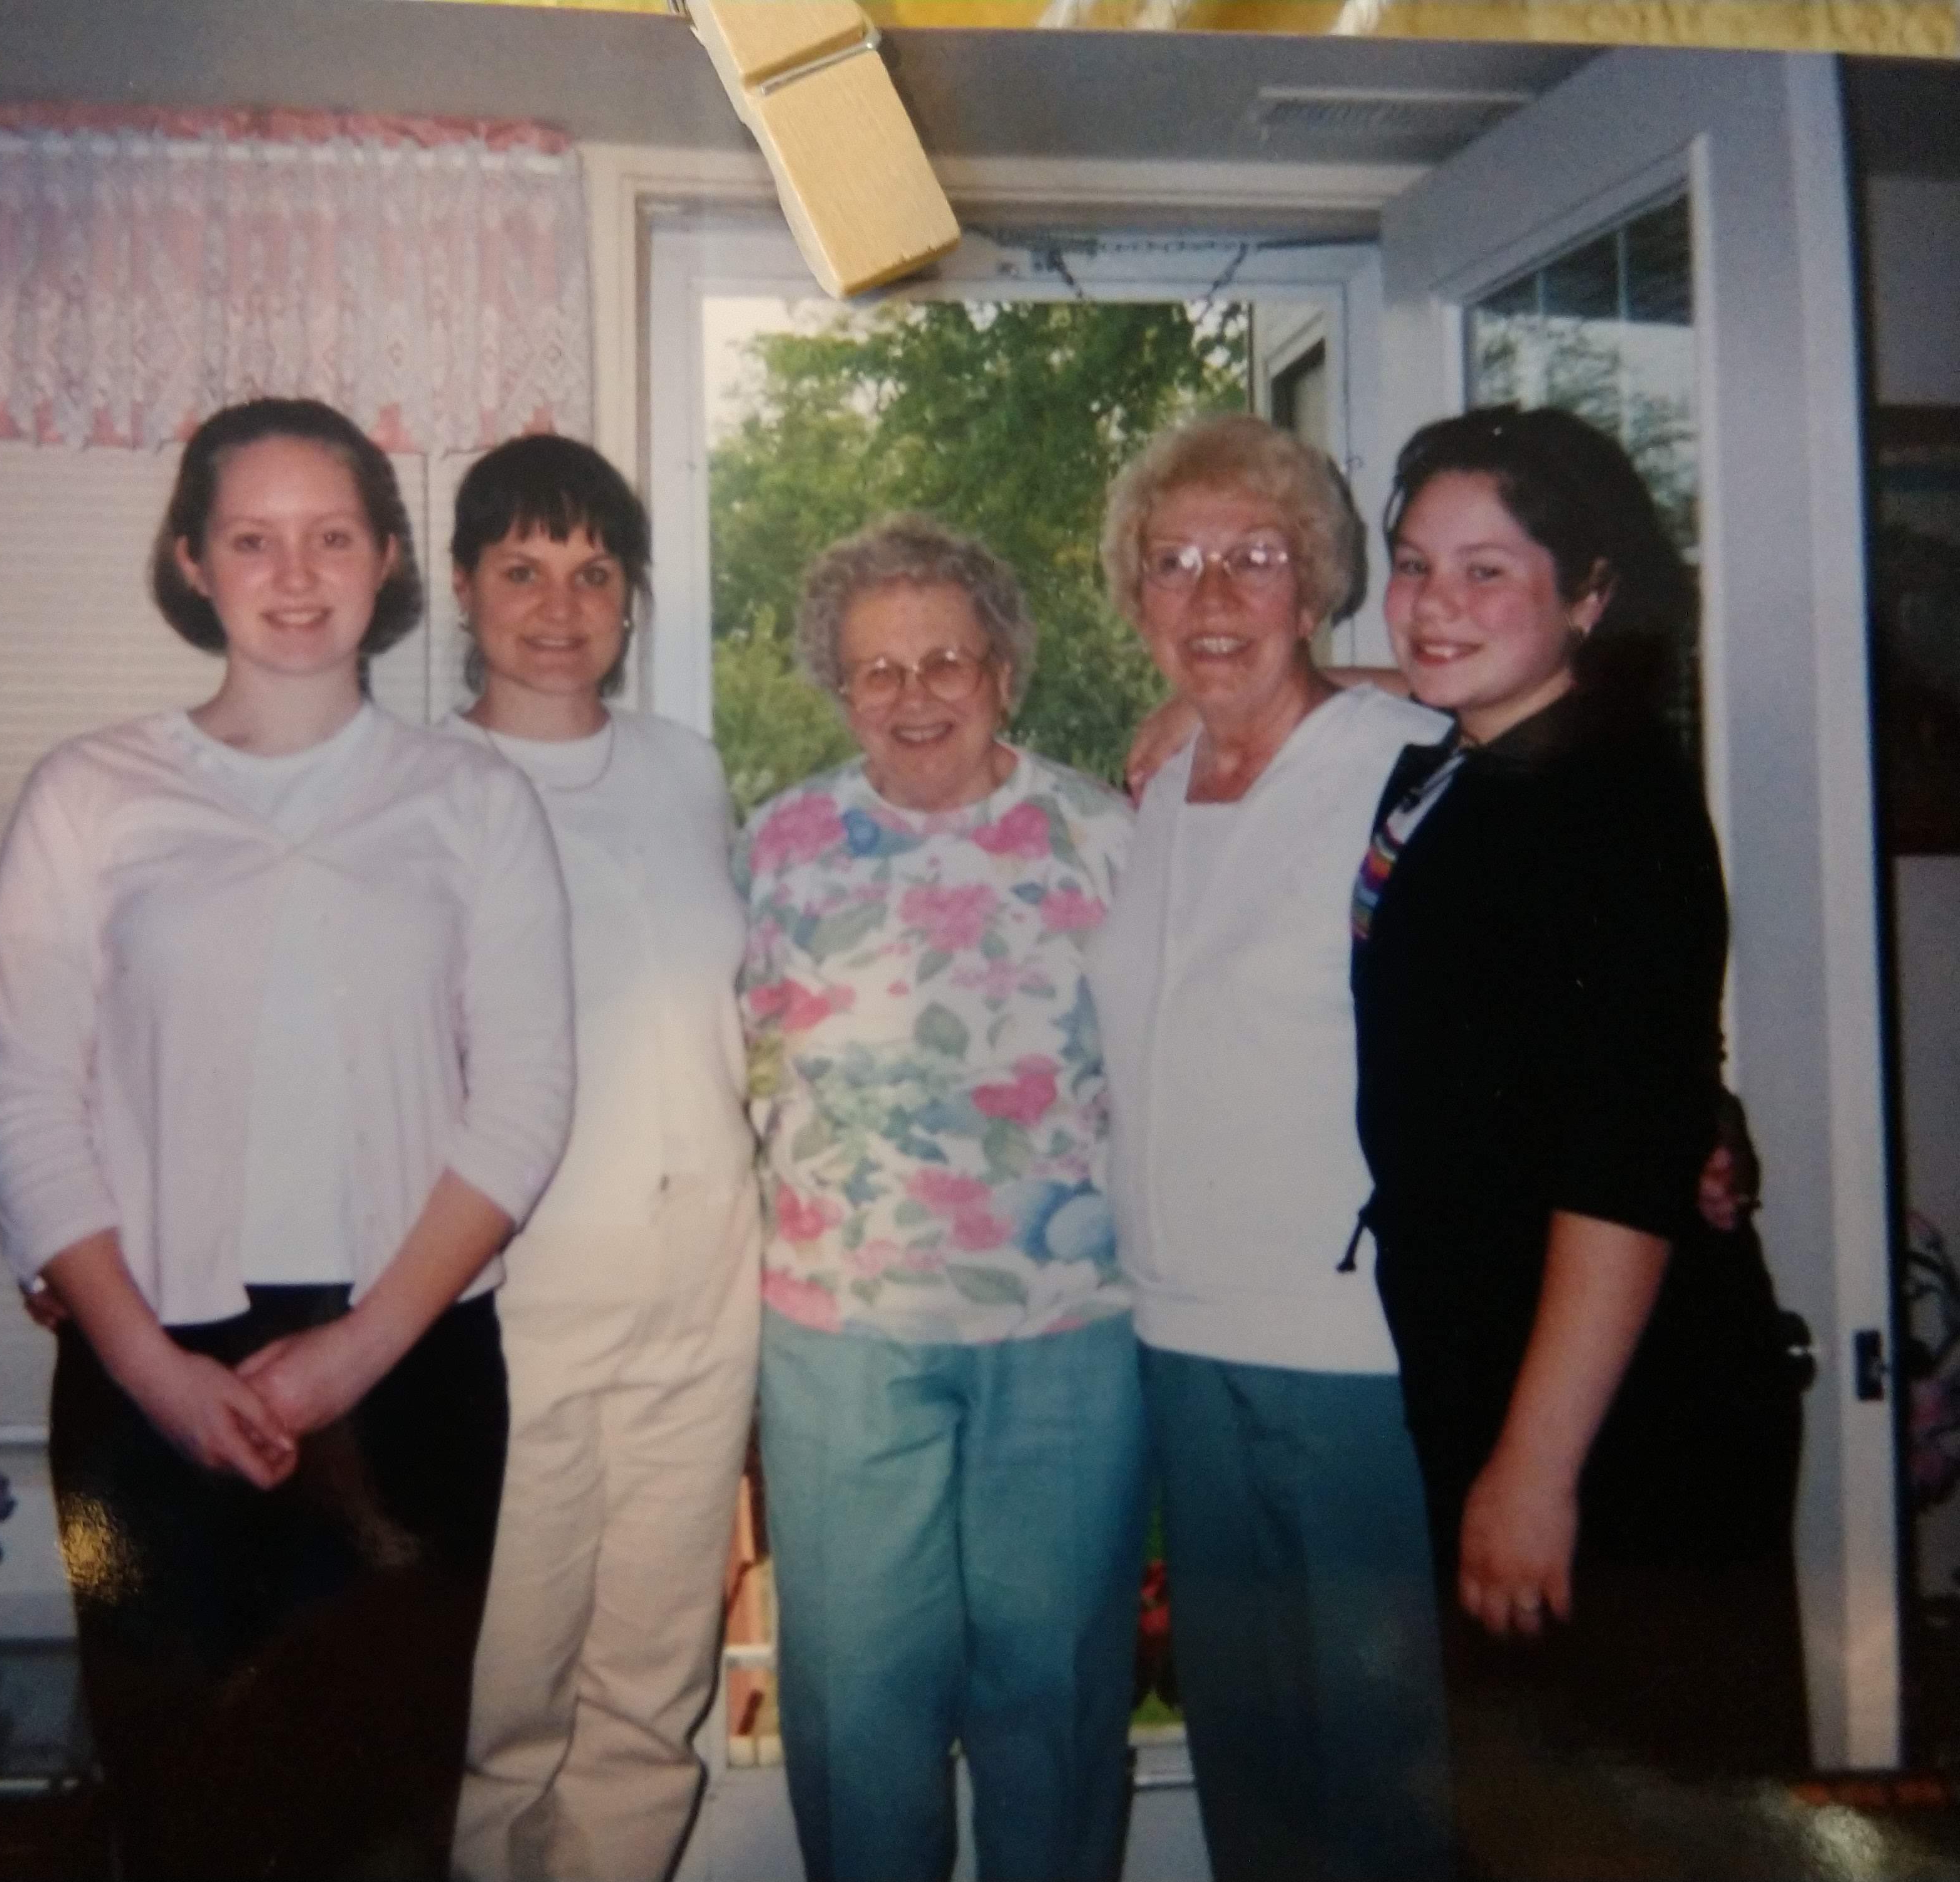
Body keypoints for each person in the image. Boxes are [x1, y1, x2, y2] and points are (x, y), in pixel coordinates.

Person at [0, 396, 573, 1879]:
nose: (292, 574)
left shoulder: (470, 800)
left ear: (383, 562)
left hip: (405, 1378)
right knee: (182, 1804)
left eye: (329, 538)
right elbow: (20, 1095)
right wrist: (148, 1371)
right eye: (252, 538)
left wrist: (358, 1353)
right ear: (192, 561)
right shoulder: (89, 796)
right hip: (146, 1374)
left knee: (379, 1819)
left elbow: (523, 1101)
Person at [1351, 406, 1806, 1868]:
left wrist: (1533, 1468)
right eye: (1413, 568)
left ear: (1590, 591)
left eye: (1487, 573)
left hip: (1617, 1428)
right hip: (1509, 1375)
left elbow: (1618, 1170)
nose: (1432, 608)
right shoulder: (1476, 760)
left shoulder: (1603, 801)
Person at [737, 514, 1146, 1882]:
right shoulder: (780, 844)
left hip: (1066, 1335)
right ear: (838, 689)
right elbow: (733, 1070)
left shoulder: (1100, 834)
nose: (912, 697)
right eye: (876, 673)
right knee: (859, 1707)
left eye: (943, 662)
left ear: (1002, 670)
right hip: (841, 1335)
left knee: (1058, 1696)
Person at [1085, 413, 1454, 1882]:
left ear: (1315, 584)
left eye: (1253, 559)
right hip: (1177, 1336)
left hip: (1349, 1347)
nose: (1213, 595)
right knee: (1253, 1774)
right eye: (1172, 564)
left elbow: (1561, 750)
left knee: (1382, 1779)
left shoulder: (1404, 763)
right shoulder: (1156, 790)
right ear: (1134, 601)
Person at [442, 435, 761, 1882]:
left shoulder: (688, 776)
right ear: (463, 588)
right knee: (499, 1704)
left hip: (704, 1302)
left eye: (592, 572)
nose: (559, 606)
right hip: (512, 1314)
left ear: (630, 600)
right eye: (521, 569)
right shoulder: (414, 790)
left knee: (648, 1700)